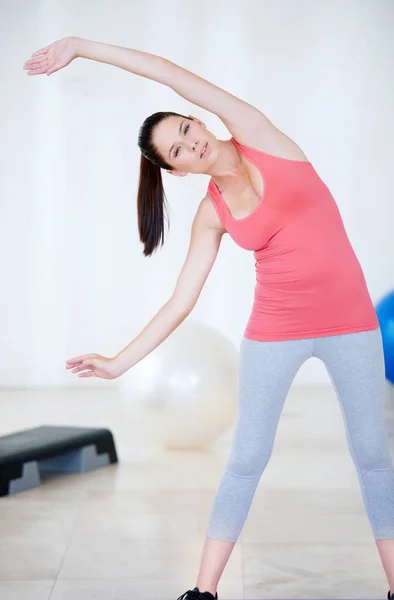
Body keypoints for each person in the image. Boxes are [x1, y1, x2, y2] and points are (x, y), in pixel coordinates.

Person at [24, 36, 394, 600]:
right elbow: (181, 299)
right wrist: (119, 363)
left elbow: (167, 69)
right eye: (176, 151)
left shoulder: (259, 135)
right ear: (175, 170)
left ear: (198, 119)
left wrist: (80, 46)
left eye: (185, 130)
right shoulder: (210, 214)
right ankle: (203, 592)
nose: (190, 144)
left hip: (353, 325)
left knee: (371, 454)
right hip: (274, 331)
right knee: (247, 457)